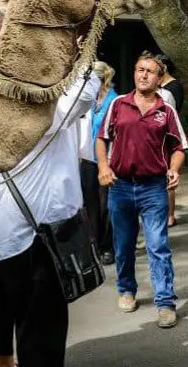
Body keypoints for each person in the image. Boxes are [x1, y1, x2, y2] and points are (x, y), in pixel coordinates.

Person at [0, 68, 101, 367]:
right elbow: (85, 91)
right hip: (40, 237)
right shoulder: (46, 110)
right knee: (42, 331)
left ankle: (0, 360)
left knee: (5, 306)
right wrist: (81, 52)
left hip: (3, 236)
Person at [98, 52, 188, 329]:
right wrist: (103, 166)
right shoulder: (118, 105)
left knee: (158, 246)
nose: (143, 75)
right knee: (123, 247)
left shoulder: (166, 110)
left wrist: (174, 168)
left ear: (160, 79)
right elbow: (102, 138)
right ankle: (126, 290)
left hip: (153, 188)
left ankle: (165, 302)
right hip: (121, 186)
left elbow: (179, 147)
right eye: (140, 69)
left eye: (150, 71)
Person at [79, 61, 118, 265]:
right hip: (87, 159)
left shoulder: (115, 101)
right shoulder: (86, 100)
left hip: (107, 160)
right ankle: (93, 245)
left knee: (106, 206)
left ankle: (107, 246)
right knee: (89, 205)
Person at [154, 55, 181, 226]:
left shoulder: (168, 93)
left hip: (165, 141)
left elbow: (172, 116)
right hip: (151, 144)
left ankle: (170, 215)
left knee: (168, 177)